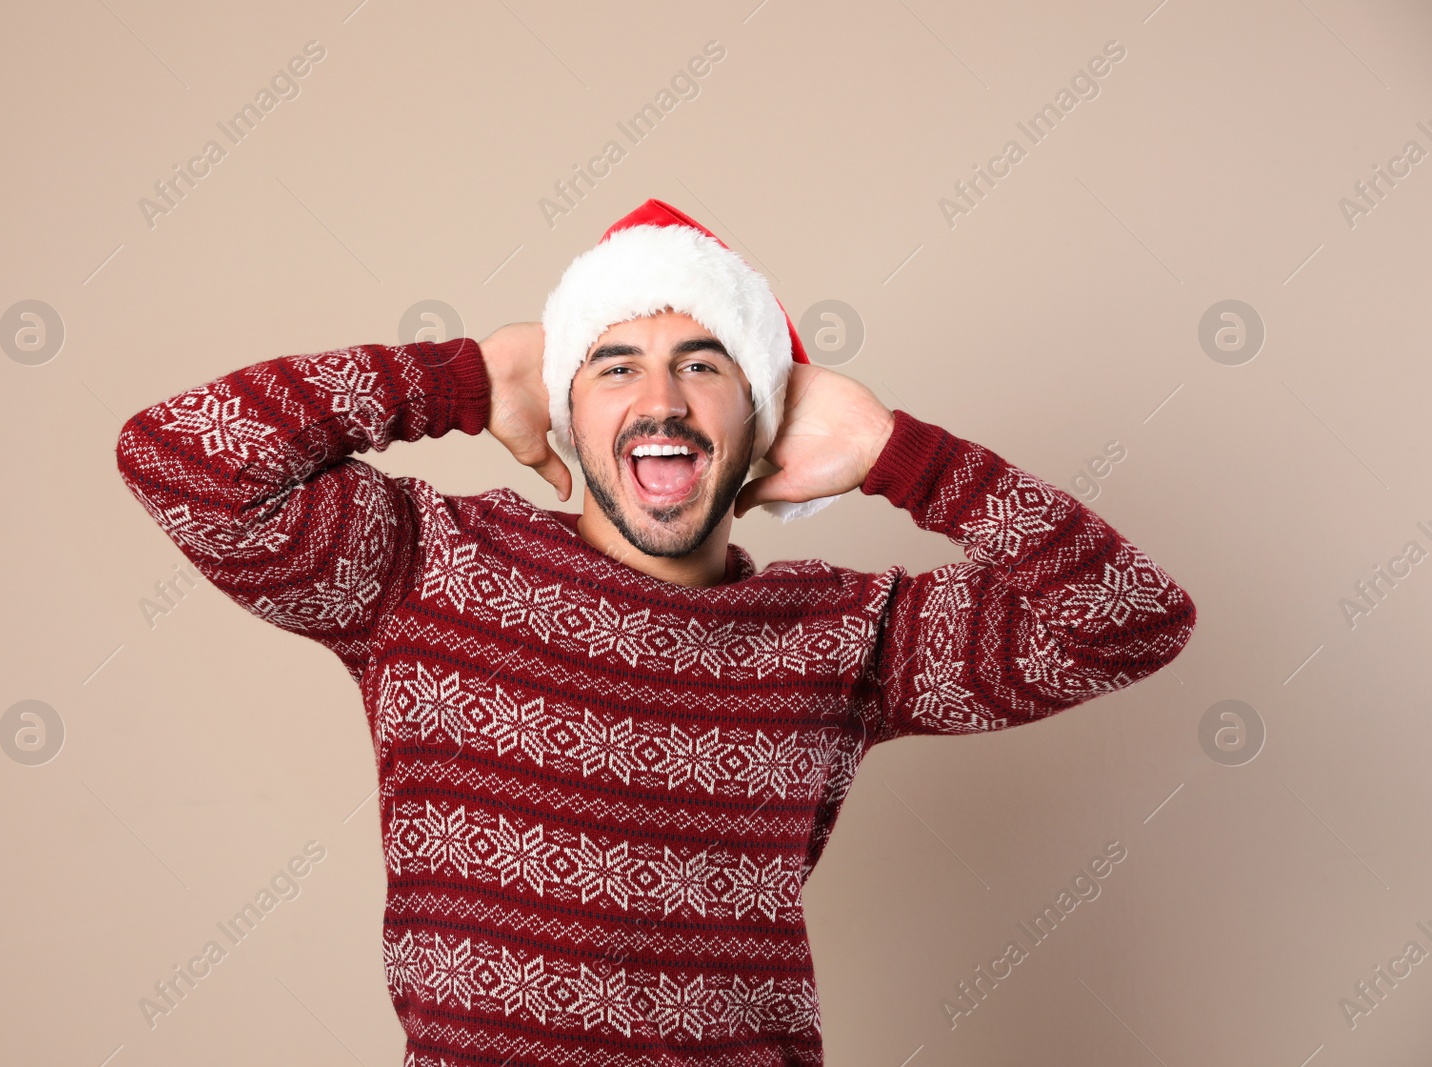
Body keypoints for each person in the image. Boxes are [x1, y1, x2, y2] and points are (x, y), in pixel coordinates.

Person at [114, 198, 1196, 1066]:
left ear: (759, 419)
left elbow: (1128, 622)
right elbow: (183, 461)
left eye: (706, 361)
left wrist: (895, 450)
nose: (662, 398)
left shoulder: (844, 634)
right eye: (615, 362)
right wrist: (460, 380)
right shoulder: (423, 568)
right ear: (566, 411)